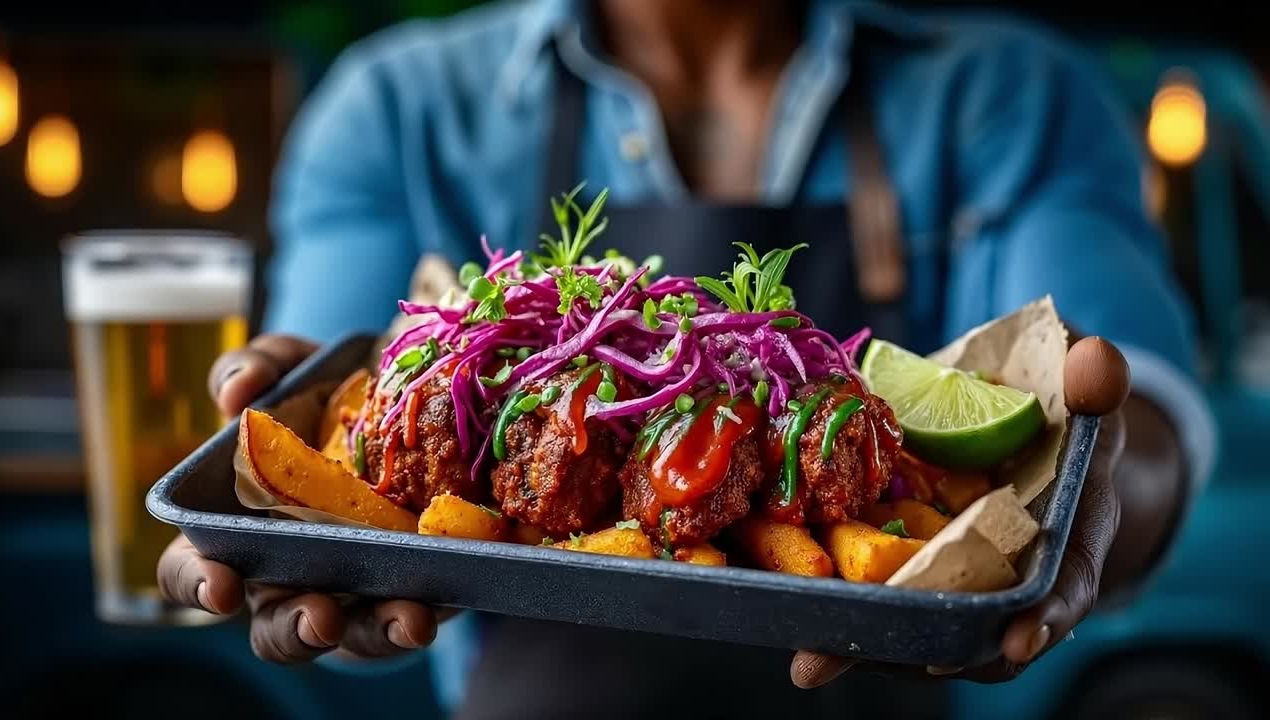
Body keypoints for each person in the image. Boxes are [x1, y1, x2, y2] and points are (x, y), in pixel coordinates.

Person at [158, 0, 1215, 717]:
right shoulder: (392, 106)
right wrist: (293, 549)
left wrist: (1097, 479)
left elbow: (1139, 415)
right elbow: (321, 434)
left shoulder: (1016, 95)